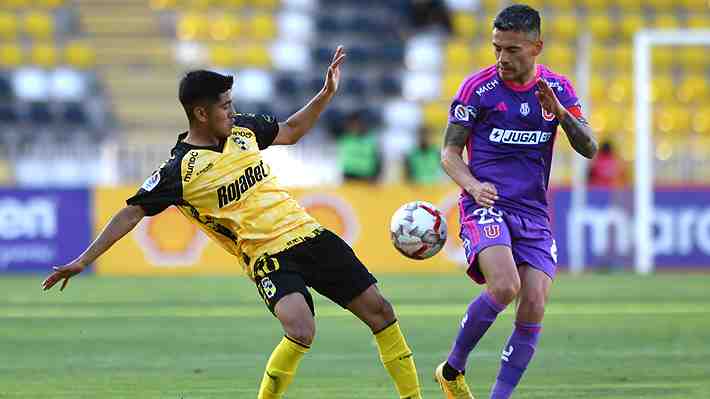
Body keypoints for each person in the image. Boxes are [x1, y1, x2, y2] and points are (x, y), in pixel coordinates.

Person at [41, 46, 423, 399]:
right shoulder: (181, 170)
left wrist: (325, 95)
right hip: (266, 254)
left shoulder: (243, 130)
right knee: (301, 329)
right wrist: (83, 260)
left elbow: (290, 131)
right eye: (224, 106)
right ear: (201, 114)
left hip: (308, 233)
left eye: (231, 103)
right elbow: (132, 210)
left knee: (382, 311)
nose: (232, 110)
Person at [436, 5, 598, 399]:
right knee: (505, 285)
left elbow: (589, 147)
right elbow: (449, 154)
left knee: (535, 305)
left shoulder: (558, 90)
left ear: (536, 47)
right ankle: (453, 368)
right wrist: (473, 186)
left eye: (512, 49)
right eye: (497, 49)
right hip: (485, 204)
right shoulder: (478, 89)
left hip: (533, 212)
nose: (502, 59)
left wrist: (559, 114)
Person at [337, 110, 382, 182]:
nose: (354, 127)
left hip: (367, 178)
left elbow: (378, 160)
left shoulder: (371, 140)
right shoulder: (345, 138)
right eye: (351, 124)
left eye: (356, 124)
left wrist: (376, 177)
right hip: (349, 177)